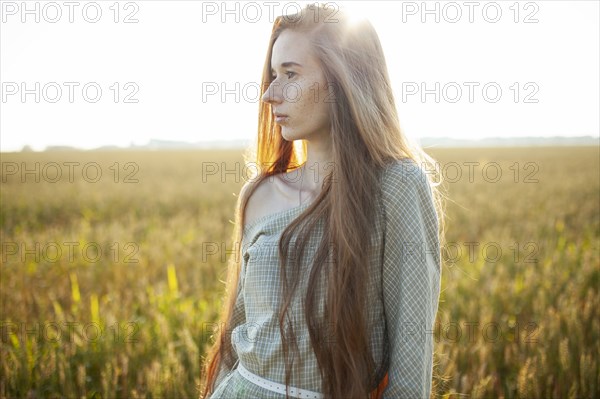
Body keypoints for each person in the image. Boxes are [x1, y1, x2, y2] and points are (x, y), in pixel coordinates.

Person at [199, 3, 445, 398]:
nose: (269, 94)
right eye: (272, 75)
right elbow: (233, 340)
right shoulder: (258, 194)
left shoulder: (397, 186)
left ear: (343, 78)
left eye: (291, 75)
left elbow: (410, 361)